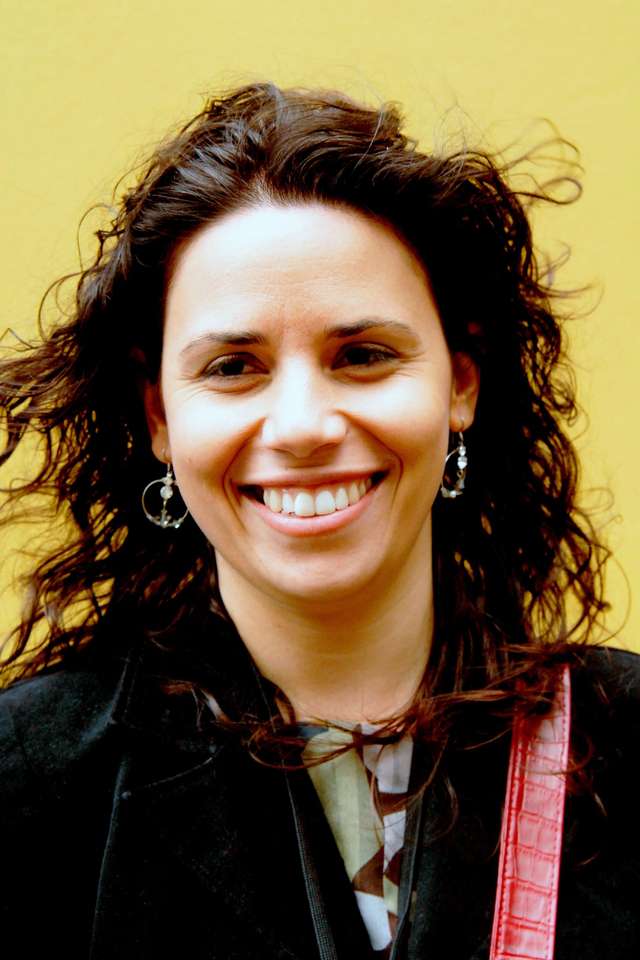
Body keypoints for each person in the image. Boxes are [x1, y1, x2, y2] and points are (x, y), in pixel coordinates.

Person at [0, 81, 638, 960]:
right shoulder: (29, 782)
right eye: (232, 367)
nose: (301, 425)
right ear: (158, 418)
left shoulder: (631, 746)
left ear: (461, 385)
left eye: (364, 356)